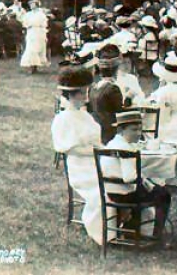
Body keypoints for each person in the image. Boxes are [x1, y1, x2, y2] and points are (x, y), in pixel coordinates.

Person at [51, 65, 104, 245]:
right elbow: (66, 148)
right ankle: (103, 231)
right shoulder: (63, 119)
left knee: (125, 181)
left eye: (86, 91)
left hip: (98, 161)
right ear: (71, 94)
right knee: (105, 190)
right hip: (82, 168)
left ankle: (126, 223)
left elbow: (96, 140)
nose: (86, 96)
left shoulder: (85, 115)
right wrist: (96, 152)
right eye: (83, 92)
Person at [103, 110, 171, 238]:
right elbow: (130, 177)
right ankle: (156, 234)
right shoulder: (126, 149)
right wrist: (145, 181)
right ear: (120, 130)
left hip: (110, 191)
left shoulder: (111, 144)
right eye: (134, 130)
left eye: (140, 130)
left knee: (149, 189)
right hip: (124, 194)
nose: (138, 133)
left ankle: (131, 229)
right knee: (164, 194)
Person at [89, 44, 124, 144]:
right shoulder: (113, 89)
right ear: (116, 70)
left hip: (97, 128)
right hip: (111, 131)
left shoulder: (94, 87)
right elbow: (119, 112)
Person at [20, 0, 50, 73]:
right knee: (31, 49)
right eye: (30, 4)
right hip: (31, 32)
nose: (31, 6)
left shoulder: (41, 14)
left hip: (39, 33)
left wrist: (39, 27)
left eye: (32, 4)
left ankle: (35, 67)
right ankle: (32, 67)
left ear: (36, 5)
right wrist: (28, 25)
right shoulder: (28, 14)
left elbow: (45, 24)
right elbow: (24, 23)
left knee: (38, 49)